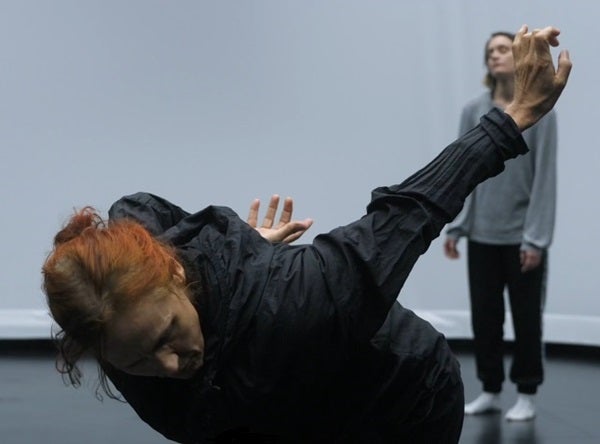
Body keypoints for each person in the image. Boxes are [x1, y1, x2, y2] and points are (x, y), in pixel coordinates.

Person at [42, 25, 571, 443]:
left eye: (165, 336)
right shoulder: (121, 314)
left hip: (403, 402)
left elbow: (409, 210)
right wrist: (236, 246)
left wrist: (514, 117)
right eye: (137, 361)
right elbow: (139, 214)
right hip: (280, 403)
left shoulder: (297, 299)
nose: (169, 366)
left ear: (176, 275)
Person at [443, 30, 560, 422]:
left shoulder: (542, 110)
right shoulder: (472, 110)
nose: (495, 55)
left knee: (527, 319)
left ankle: (526, 392)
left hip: (522, 238)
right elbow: (462, 168)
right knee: (485, 318)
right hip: (482, 235)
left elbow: (545, 177)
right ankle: (490, 389)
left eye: (503, 49)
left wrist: (536, 239)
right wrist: (457, 226)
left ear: (519, 55)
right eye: (490, 51)